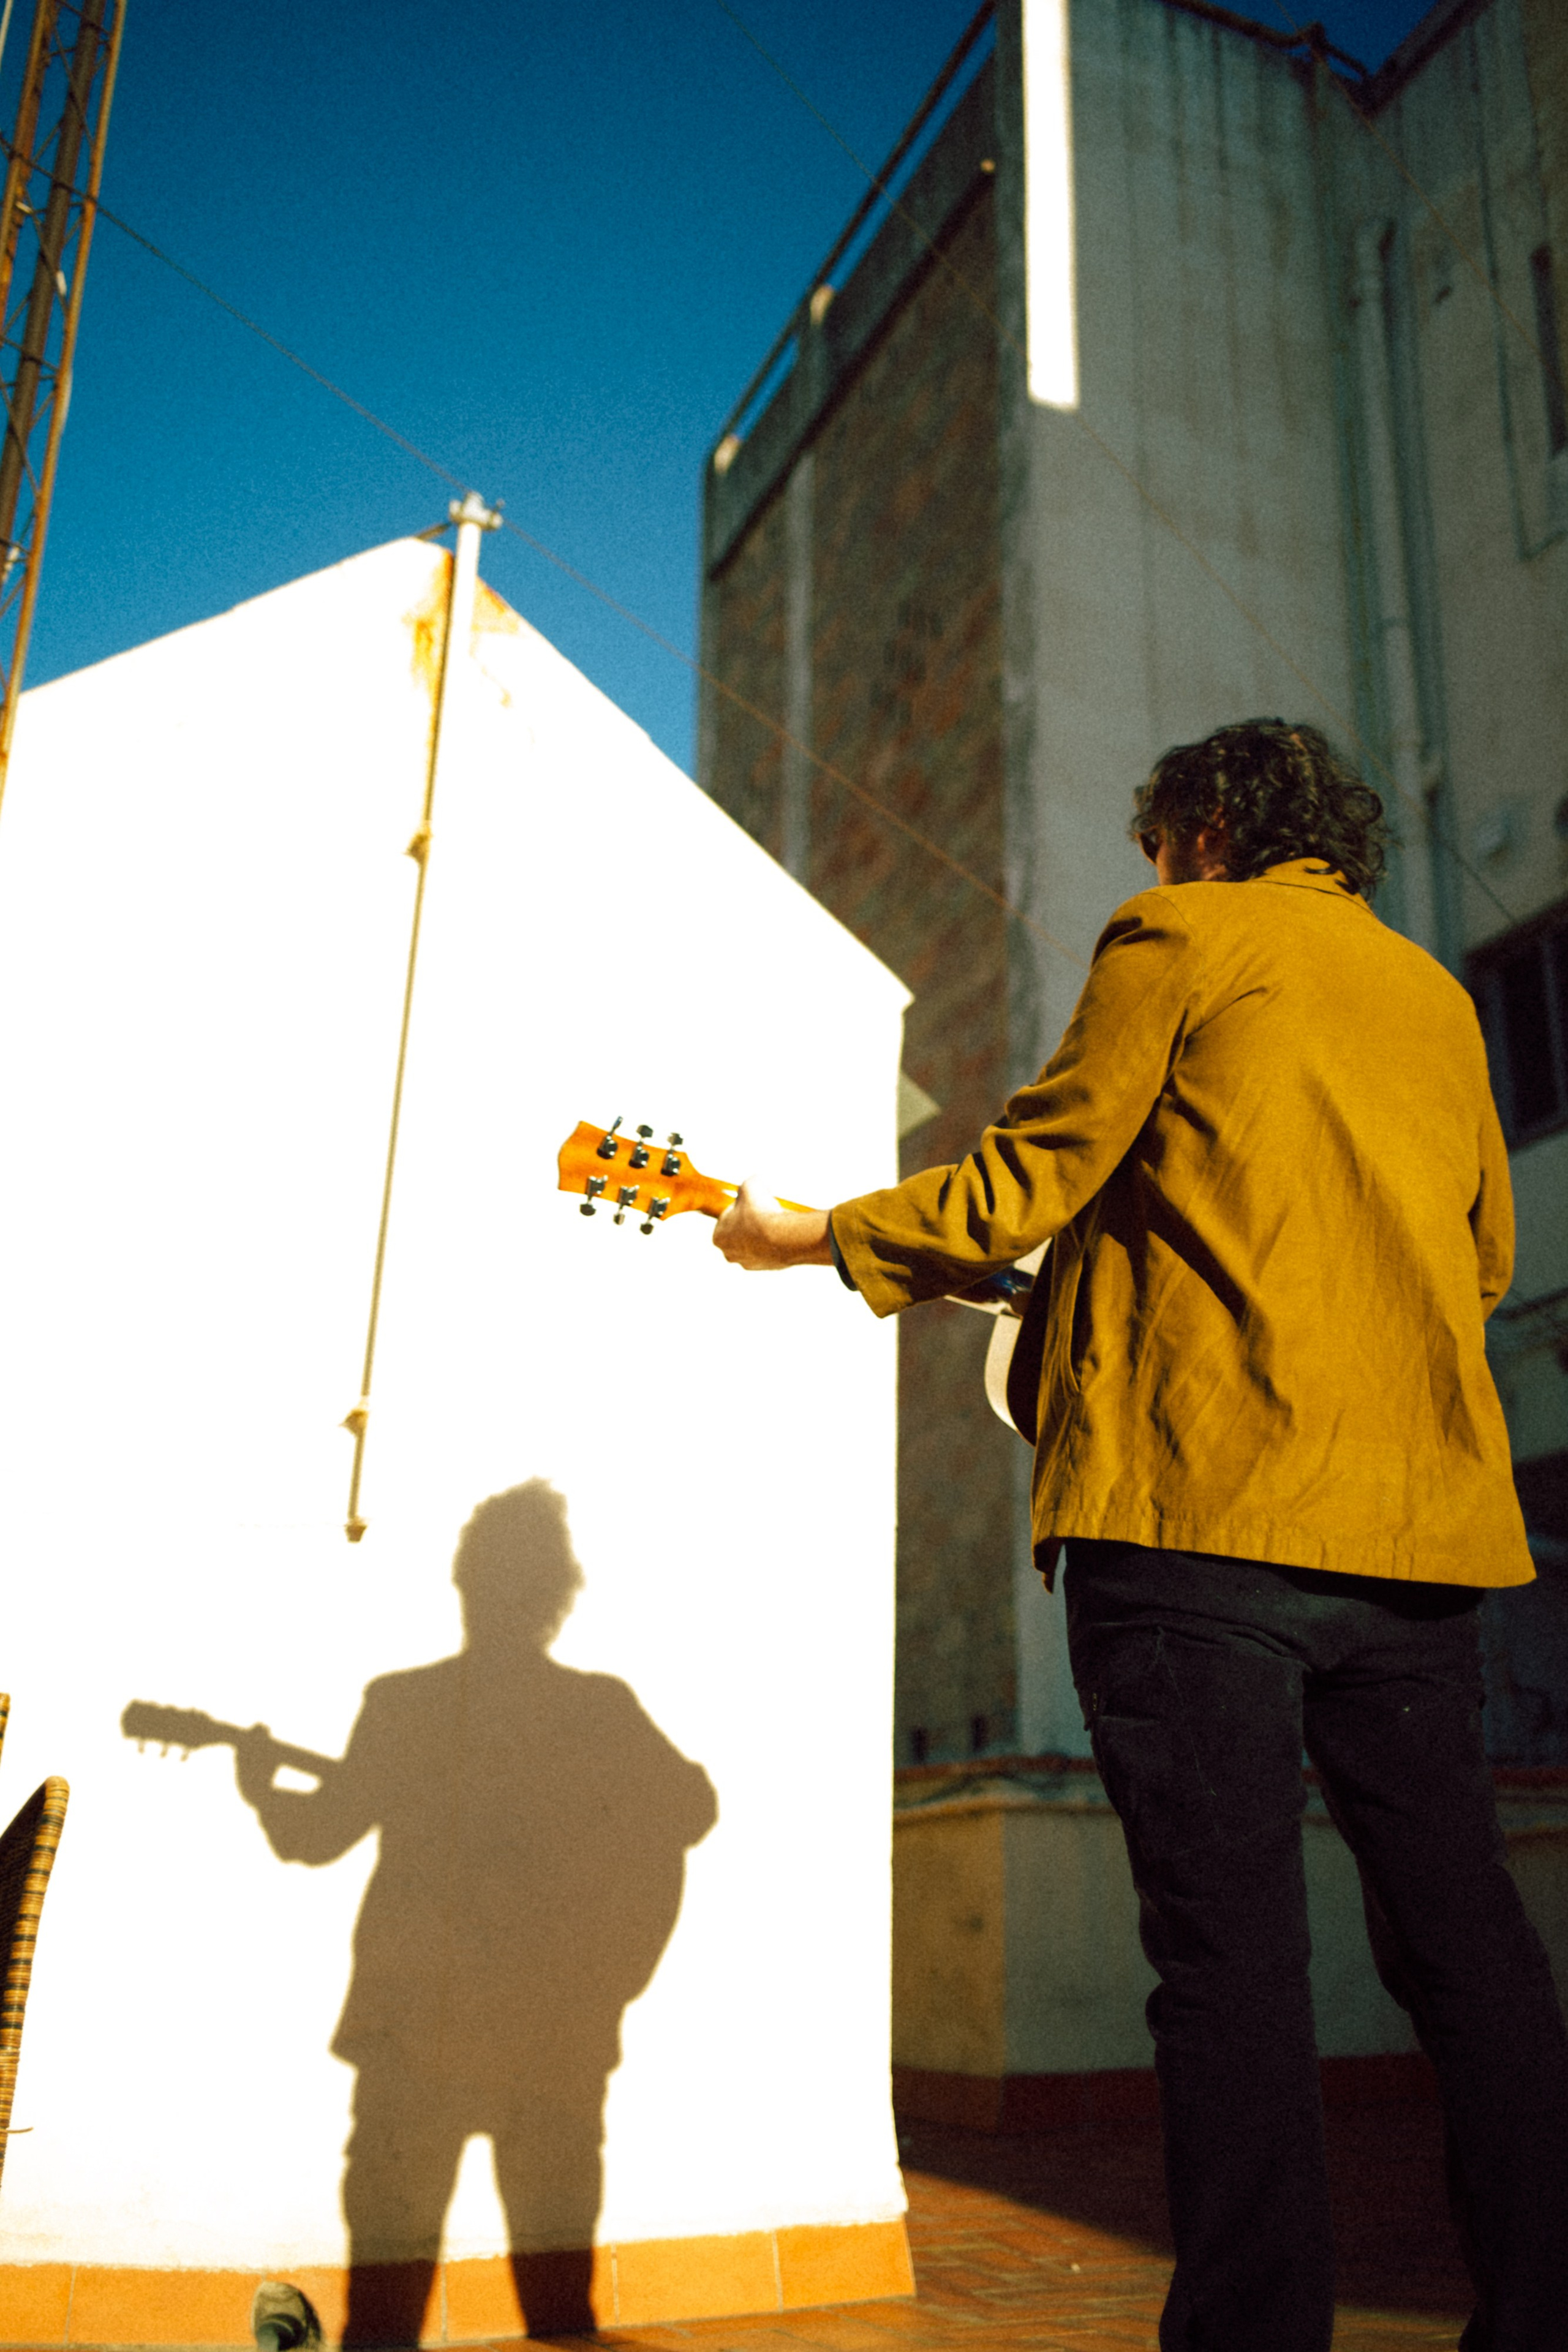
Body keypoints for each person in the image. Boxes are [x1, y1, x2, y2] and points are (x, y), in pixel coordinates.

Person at [712, 718, 1568, 2352]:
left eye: (1160, 839)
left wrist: (814, 1234)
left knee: (1228, 1959)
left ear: (1215, 825)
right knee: (1466, 1944)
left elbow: (1037, 1171)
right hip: (1417, 1542)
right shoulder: (1441, 1002)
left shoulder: (1180, 934)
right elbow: (1475, 1267)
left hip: (1195, 1532)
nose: (1148, 870)